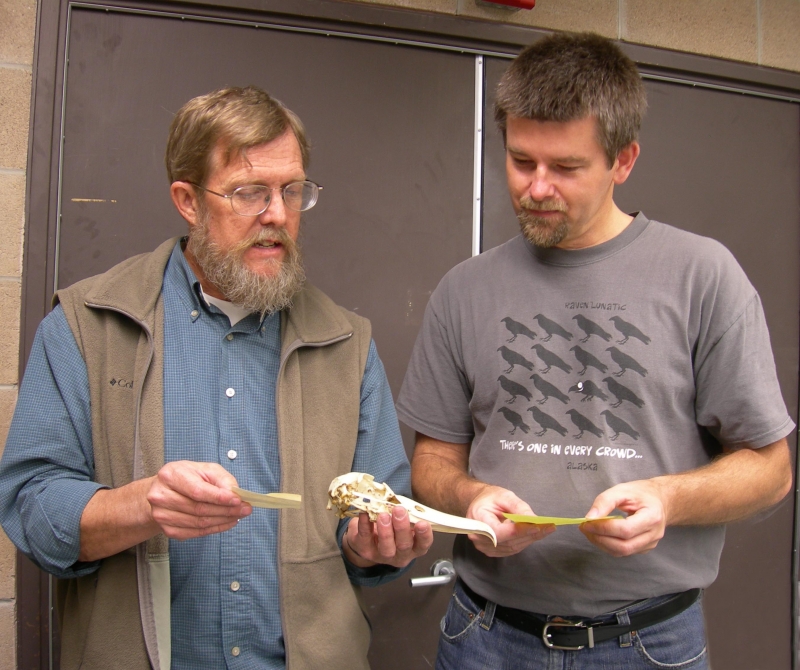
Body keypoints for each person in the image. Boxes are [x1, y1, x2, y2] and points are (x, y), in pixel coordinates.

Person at [396, 32, 793, 669]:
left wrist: (669, 498)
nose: (537, 188)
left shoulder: (703, 276)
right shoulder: (463, 290)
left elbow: (771, 469)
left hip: (648, 642)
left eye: (566, 167)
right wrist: (469, 500)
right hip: (485, 635)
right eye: (522, 161)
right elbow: (432, 464)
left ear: (623, 160)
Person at [0, 86, 432, 670]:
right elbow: (31, 507)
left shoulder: (347, 343)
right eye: (250, 192)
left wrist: (373, 545)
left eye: (291, 190)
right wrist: (140, 507)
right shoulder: (87, 324)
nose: (277, 213)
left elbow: (372, 514)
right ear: (188, 200)